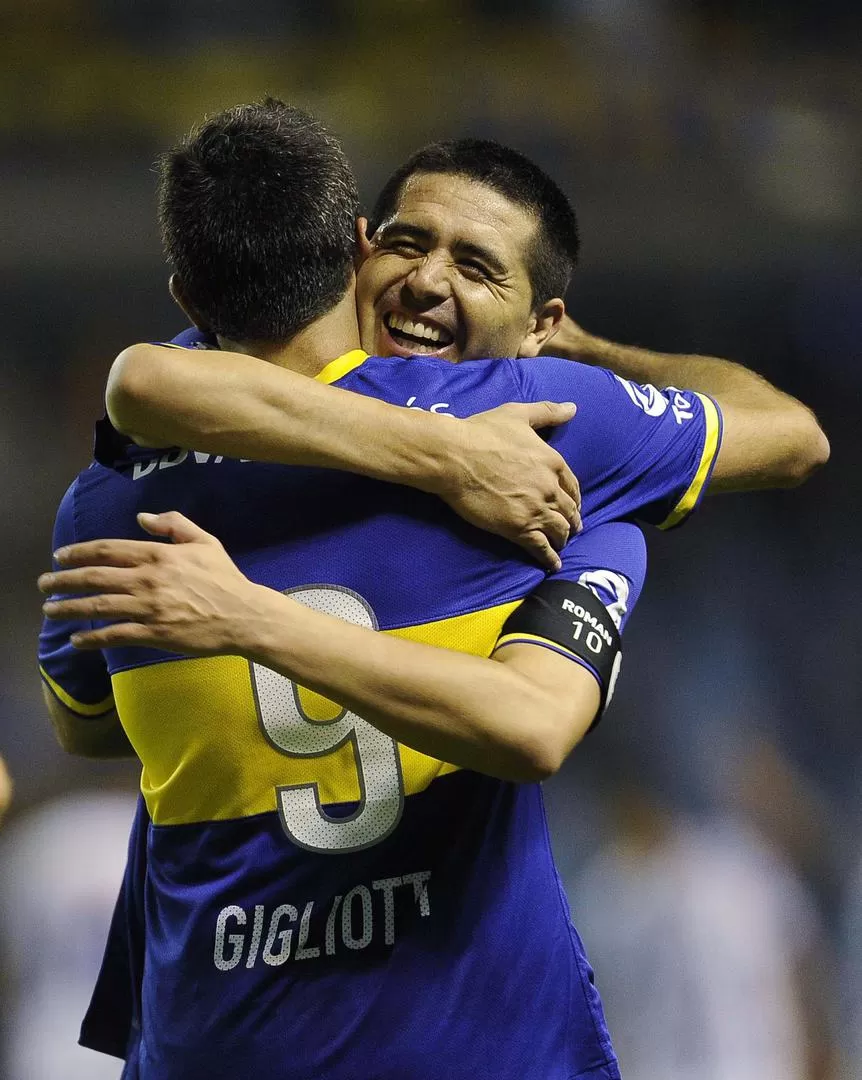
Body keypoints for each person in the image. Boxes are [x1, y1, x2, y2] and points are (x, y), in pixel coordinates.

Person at [38, 101, 825, 1079]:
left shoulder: (110, 491)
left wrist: (222, 655)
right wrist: (464, 442)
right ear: (358, 247)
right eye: (410, 243)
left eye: (475, 265)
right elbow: (791, 433)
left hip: (220, 1035)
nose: (427, 278)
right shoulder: (541, 433)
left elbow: (86, 721)